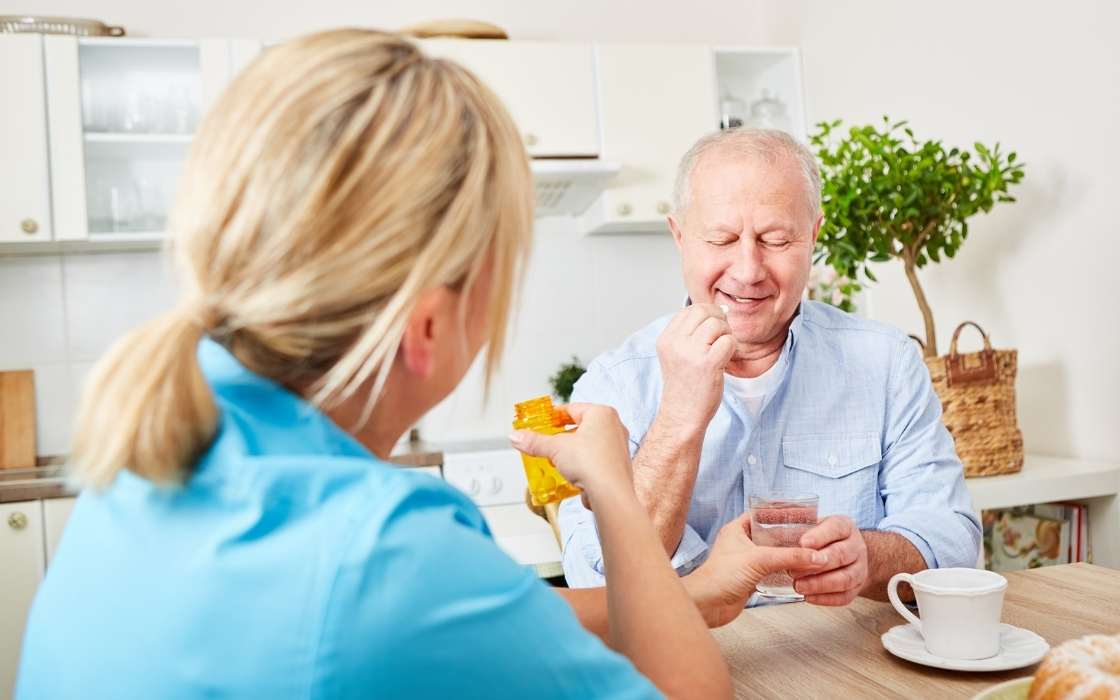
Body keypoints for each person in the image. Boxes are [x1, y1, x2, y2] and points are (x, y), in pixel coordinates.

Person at [16, 31, 824, 699]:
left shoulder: (156, 447)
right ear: (430, 325)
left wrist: (685, 588)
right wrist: (613, 484)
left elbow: (499, 621)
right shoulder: (383, 546)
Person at [558, 128, 982, 605]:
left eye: (776, 240)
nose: (748, 270)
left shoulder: (886, 363)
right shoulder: (615, 384)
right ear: (679, 237)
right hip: (693, 659)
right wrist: (679, 414)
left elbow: (951, 537)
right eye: (720, 239)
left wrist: (867, 557)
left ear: (814, 235)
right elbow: (600, 584)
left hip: (847, 660)